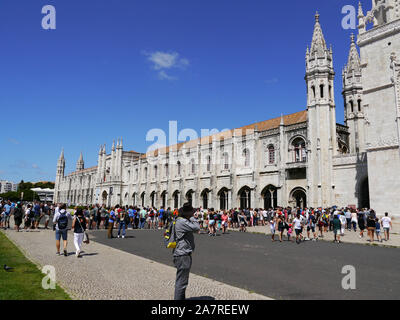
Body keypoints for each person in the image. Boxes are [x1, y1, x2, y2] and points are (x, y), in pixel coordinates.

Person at [172, 203, 200, 300]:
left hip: (181, 252)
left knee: (182, 280)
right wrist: (193, 218)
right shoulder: (182, 222)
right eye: (191, 213)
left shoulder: (179, 220)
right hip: (183, 254)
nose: (193, 214)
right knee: (181, 282)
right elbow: (197, 227)